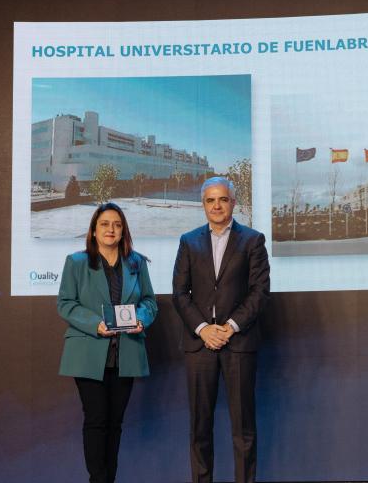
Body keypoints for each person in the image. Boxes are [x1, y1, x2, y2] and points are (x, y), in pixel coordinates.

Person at [172, 177, 270, 483]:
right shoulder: (188, 241)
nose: (216, 205)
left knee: (244, 428)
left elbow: (259, 292)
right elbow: (179, 293)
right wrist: (203, 329)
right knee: (200, 427)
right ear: (203, 205)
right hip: (200, 345)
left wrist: (229, 327)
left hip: (238, 343)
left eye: (223, 199)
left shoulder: (252, 240)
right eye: (210, 200)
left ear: (233, 203)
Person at [57, 202, 158, 483]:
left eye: (116, 224)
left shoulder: (137, 262)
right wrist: (95, 325)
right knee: (97, 420)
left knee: (115, 424)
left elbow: (150, 301)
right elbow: (65, 304)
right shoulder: (76, 262)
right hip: (89, 353)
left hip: (125, 353)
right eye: (104, 224)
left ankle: (107, 480)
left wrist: (141, 318)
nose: (111, 229)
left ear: (123, 230)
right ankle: (98, 480)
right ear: (93, 230)